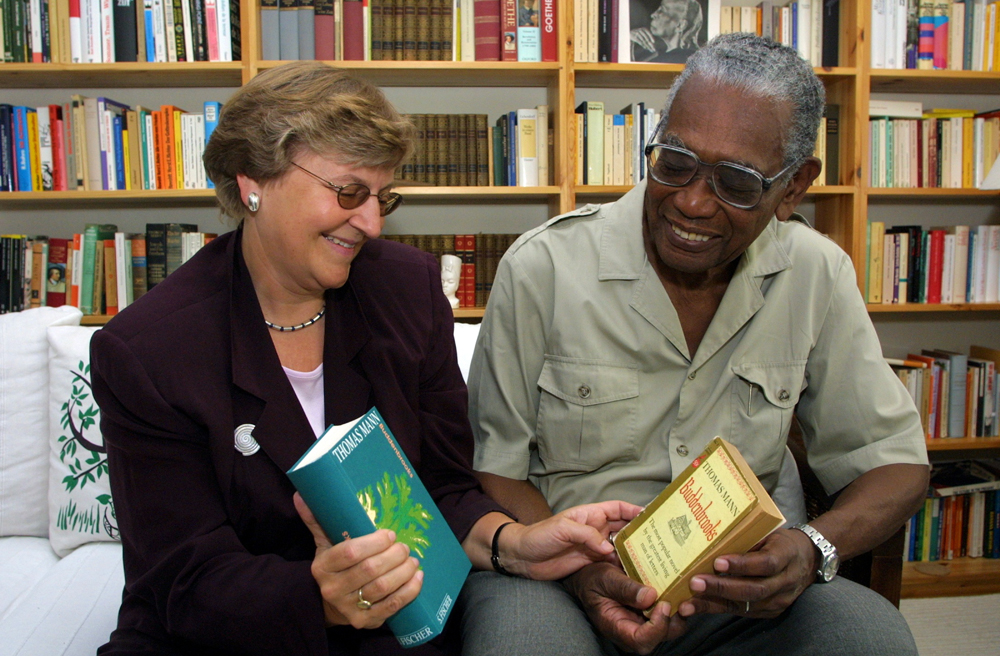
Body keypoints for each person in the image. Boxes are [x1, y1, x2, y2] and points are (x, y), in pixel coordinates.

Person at [90, 62, 643, 656]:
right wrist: (319, 598)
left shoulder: (405, 292)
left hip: (392, 622)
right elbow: (183, 578)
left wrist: (514, 542)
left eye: (384, 197)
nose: (373, 224)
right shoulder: (149, 351)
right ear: (252, 182)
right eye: (349, 192)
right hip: (223, 630)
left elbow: (444, 489)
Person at [462, 34, 930, 656]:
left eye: (736, 183)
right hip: (562, 575)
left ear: (793, 188)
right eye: (674, 163)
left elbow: (895, 465)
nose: (690, 201)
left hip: (734, 589)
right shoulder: (542, 267)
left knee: (868, 638)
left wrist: (812, 546)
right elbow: (493, 470)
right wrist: (580, 572)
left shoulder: (817, 274)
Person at [630, 0, 704, 63]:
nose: (653, 15)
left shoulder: (679, 58)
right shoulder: (658, 55)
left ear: (681, 25)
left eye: (661, 11)